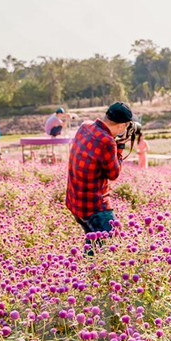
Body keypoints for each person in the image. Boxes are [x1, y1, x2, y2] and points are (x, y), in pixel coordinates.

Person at [66, 101, 133, 252]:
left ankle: (87, 271)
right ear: (122, 125)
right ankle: (94, 272)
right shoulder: (108, 142)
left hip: (76, 203)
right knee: (111, 250)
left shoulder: (85, 126)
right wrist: (120, 148)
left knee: (94, 247)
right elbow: (114, 174)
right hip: (95, 207)